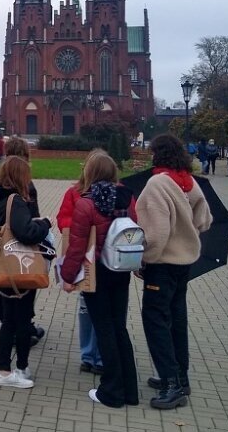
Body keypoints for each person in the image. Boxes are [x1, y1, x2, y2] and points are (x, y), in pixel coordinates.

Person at [136, 134, 212, 410]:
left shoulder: (157, 183)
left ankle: (171, 383)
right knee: (177, 319)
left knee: (155, 321)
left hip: (163, 263)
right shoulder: (188, 181)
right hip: (185, 263)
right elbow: (205, 220)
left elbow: (155, 234)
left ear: (159, 154)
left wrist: (144, 259)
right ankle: (181, 376)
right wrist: (187, 231)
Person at [61, 151, 139, 408]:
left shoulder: (87, 202)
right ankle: (130, 390)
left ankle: (112, 392)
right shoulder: (127, 198)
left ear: (90, 173)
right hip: (120, 269)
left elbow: (77, 246)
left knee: (104, 328)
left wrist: (67, 277)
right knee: (119, 327)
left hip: (97, 273)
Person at [0, 155, 51, 389]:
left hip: (3, 266)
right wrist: (44, 224)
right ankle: (6, 371)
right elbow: (26, 232)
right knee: (15, 320)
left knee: (15, 319)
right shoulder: (14, 201)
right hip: (18, 267)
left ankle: (20, 367)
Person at [56, 153, 103, 376]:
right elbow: (62, 219)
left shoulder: (118, 192)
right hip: (83, 255)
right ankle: (87, 354)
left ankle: (101, 356)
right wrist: (81, 224)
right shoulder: (74, 192)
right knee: (86, 308)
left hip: (102, 258)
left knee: (102, 308)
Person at [3, 136, 46, 345]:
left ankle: (15, 326)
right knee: (25, 288)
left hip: (2, 247)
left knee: (7, 287)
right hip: (21, 247)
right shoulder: (24, 185)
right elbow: (31, 221)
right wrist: (43, 226)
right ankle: (22, 329)